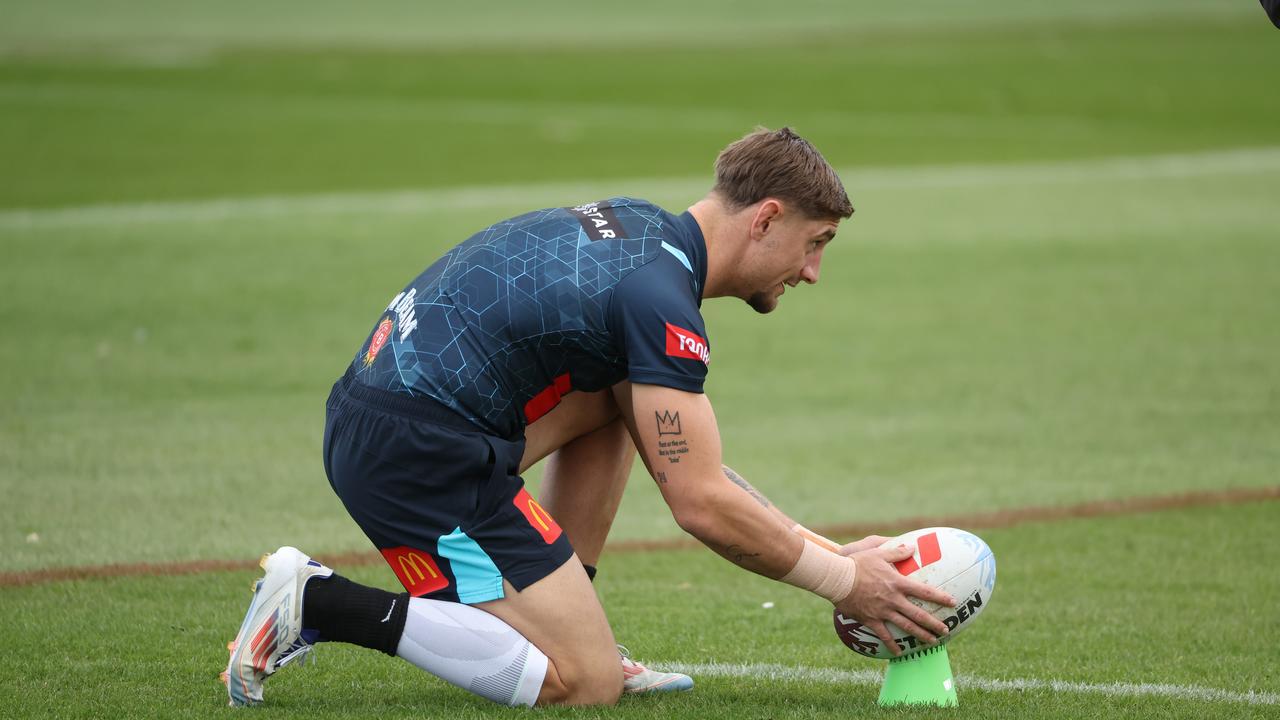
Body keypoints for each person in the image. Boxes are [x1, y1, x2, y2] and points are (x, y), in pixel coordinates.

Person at [221, 127, 956, 708]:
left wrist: (834, 551)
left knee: (613, 398)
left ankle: (566, 616)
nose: (812, 272)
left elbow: (689, 467)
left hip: (393, 423)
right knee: (583, 682)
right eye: (815, 243)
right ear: (767, 218)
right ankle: (317, 599)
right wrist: (843, 582)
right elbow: (700, 503)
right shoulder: (660, 301)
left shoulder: (645, 231)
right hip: (418, 451)